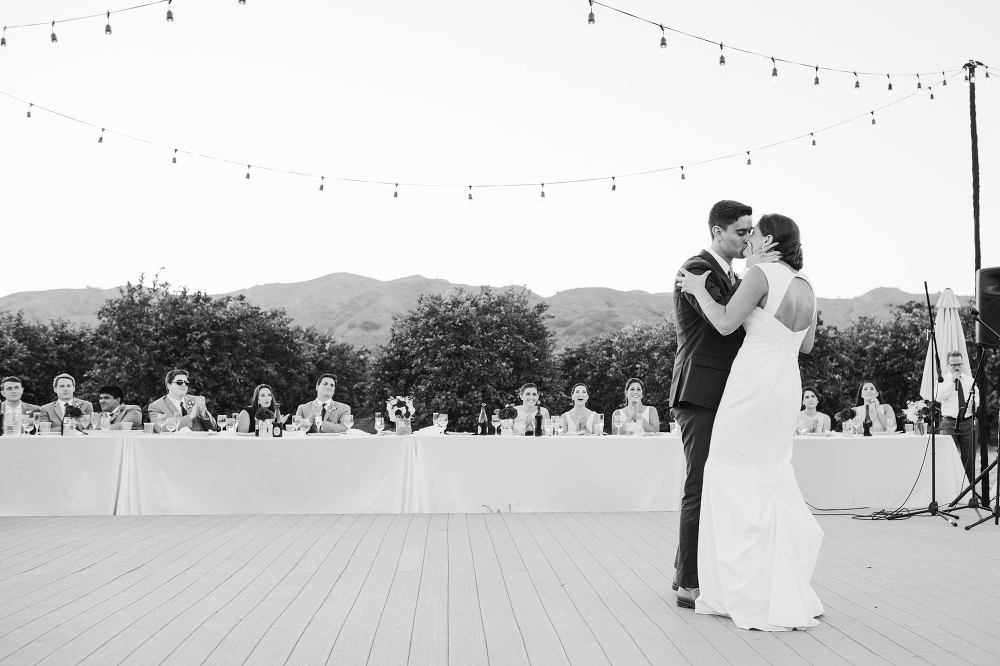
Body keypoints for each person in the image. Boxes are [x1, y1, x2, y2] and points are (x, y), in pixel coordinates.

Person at [677, 212, 824, 631]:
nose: (749, 243)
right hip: (785, 385)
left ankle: (737, 584)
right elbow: (807, 344)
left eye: (754, 236)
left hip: (752, 385)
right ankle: (781, 579)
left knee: (727, 472)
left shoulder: (760, 274)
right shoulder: (806, 283)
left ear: (770, 242)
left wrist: (699, 290)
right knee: (770, 473)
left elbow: (724, 322)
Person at [669, 199, 768, 609]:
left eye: (750, 232)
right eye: (742, 231)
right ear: (718, 232)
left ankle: (696, 571)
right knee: (699, 484)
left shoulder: (731, 274)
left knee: (720, 485)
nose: (748, 238)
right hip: (701, 392)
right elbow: (723, 324)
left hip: (728, 394)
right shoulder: (696, 269)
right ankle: (689, 584)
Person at [935, 351, 979, 489]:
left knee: (969, 461)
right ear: (948, 365)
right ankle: (950, 491)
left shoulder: (970, 381)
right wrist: (951, 382)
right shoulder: (942, 380)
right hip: (949, 423)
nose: (957, 368)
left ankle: (968, 492)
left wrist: (975, 404)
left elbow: (977, 399)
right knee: (948, 459)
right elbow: (938, 397)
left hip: (967, 422)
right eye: (953, 365)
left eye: (959, 364)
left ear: (962, 363)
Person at [147, 369, 219, 431]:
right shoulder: (156, 406)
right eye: (179, 382)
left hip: (198, 445)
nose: (184, 385)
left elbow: (213, 428)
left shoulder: (196, 400)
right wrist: (191, 416)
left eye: (186, 383)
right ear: (169, 385)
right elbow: (160, 429)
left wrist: (203, 414)